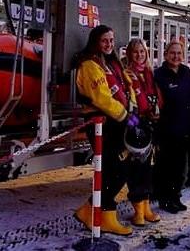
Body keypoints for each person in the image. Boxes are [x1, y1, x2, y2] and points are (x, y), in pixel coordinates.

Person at [73, 25, 138, 236]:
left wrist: (133, 111)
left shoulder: (112, 64)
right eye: (104, 40)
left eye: (111, 40)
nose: (109, 44)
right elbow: (101, 98)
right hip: (102, 123)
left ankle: (92, 211)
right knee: (115, 170)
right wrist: (126, 117)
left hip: (118, 122)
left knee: (119, 169)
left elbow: (128, 88)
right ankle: (102, 215)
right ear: (95, 42)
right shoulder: (90, 66)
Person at [153, 40, 190, 214]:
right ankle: (165, 199)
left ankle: (176, 196)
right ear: (165, 55)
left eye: (179, 53)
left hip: (185, 127)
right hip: (166, 128)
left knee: (181, 167)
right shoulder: (159, 74)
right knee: (166, 167)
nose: (176, 56)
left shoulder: (186, 72)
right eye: (172, 53)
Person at [123, 38, 161, 226]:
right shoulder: (126, 74)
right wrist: (135, 126)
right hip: (134, 123)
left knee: (147, 168)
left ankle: (146, 207)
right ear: (129, 54)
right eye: (135, 52)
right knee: (135, 168)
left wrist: (155, 113)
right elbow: (127, 103)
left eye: (142, 52)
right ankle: (138, 209)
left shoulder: (149, 74)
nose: (139, 55)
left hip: (149, 123)